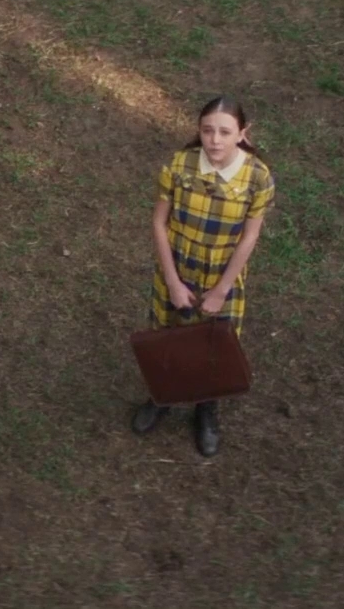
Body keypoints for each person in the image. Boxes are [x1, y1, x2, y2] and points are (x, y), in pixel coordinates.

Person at [131, 97, 276, 457]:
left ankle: (206, 409)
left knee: (214, 347)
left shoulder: (258, 177)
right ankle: (162, 397)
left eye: (225, 132)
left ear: (242, 133)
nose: (214, 140)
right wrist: (172, 281)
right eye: (207, 130)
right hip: (178, 269)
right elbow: (159, 223)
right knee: (167, 336)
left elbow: (250, 237)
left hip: (221, 278)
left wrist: (221, 290)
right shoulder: (179, 165)